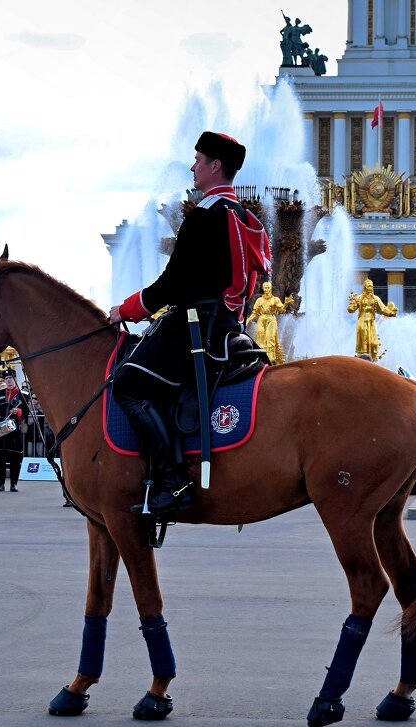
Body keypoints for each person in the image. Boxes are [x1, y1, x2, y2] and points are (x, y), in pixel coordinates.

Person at [108, 131, 271, 515]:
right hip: (228, 326)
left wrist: (127, 309)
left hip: (195, 327)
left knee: (128, 384)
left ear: (216, 167)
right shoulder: (244, 216)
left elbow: (174, 282)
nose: (193, 166)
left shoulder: (204, 216)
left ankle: (172, 481)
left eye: (198, 160)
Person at [349, 278, 398, 361]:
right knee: (363, 341)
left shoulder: (375, 298)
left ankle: (372, 358)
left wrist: (391, 313)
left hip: (371, 322)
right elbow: (351, 309)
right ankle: (362, 357)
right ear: (364, 287)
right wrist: (351, 304)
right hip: (362, 321)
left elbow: (382, 309)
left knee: (373, 342)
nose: (370, 288)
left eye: (371, 286)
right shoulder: (359, 298)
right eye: (368, 286)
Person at [0, 373, 27, 492]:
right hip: (0, 427)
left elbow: (27, 413)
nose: (8, 380)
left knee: (15, 457)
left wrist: (18, 411)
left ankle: (14, 483)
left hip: (15, 428)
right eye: (6, 378)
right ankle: (1, 483)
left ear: (15, 379)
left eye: (10, 378)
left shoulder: (23, 395)